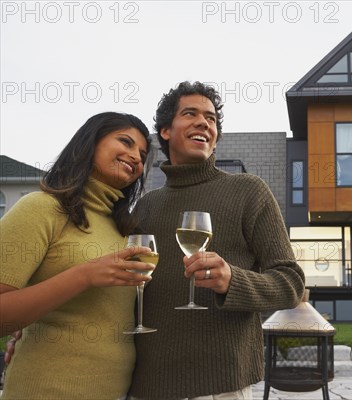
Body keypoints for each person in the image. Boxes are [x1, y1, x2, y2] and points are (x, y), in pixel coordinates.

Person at [127, 81, 305, 399]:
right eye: (191, 113)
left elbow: (290, 284)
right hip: (149, 384)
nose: (204, 123)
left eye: (210, 118)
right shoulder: (145, 205)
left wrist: (232, 280)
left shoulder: (249, 191)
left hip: (221, 384)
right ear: (166, 130)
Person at [0, 112, 156, 399]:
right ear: (89, 143)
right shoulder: (40, 208)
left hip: (117, 391)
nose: (136, 156)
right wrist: (84, 275)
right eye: (125, 141)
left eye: (143, 154)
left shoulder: (124, 229)